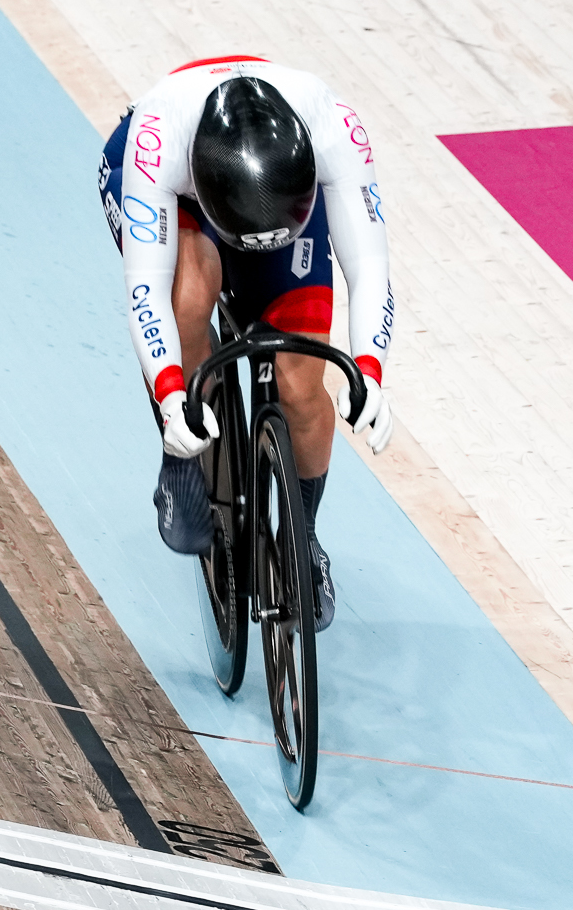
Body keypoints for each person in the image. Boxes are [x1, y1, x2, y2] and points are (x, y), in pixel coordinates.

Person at [98, 56, 396, 630]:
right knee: (187, 301)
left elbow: (372, 266)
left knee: (302, 380)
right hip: (179, 198)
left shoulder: (334, 130)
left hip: (280, 200)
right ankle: (181, 463)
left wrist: (371, 370)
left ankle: (302, 537)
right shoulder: (158, 144)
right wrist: (168, 395)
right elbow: (146, 291)